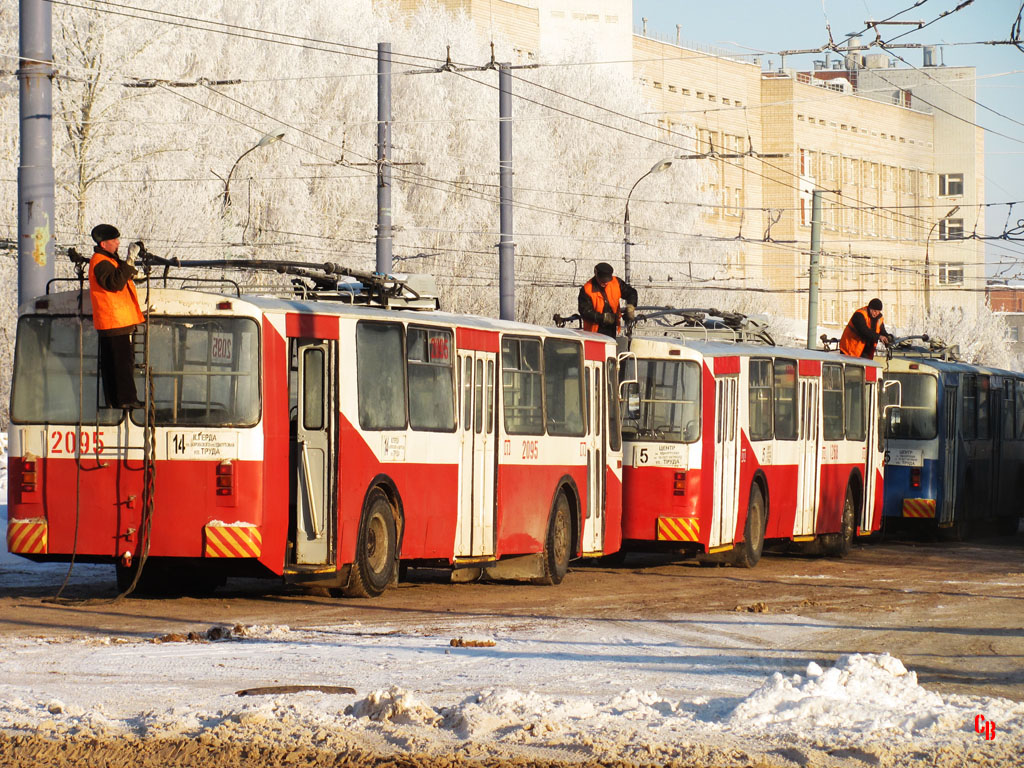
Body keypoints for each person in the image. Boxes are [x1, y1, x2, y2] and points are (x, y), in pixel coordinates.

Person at [88, 224, 146, 409]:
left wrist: (131, 267)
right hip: (114, 319)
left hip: (111, 320)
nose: (118, 243)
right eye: (114, 240)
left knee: (113, 362)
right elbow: (114, 283)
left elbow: (122, 274)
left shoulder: (107, 261)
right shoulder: (101, 262)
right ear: (104, 244)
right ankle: (126, 399)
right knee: (122, 361)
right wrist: (130, 260)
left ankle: (114, 399)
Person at [578, 262, 638, 338]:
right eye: (603, 280)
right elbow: (585, 312)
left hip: (611, 330)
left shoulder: (616, 282)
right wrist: (603, 317)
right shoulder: (587, 290)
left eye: (607, 280)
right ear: (596, 274)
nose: (606, 283)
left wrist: (631, 306)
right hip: (593, 333)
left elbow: (631, 292)